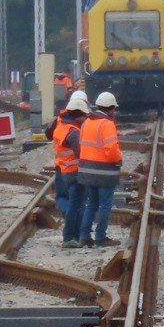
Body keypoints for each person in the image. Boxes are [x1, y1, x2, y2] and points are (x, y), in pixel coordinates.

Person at [72, 91, 124, 247]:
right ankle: (101, 236)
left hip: (87, 171)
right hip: (104, 173)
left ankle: (84, 236)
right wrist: (119, 160)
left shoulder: (87, 122)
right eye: (114, 109)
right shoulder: (106, 124)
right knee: (105, 204)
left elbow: (82, 144)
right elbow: (111, 149)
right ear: (110, 108)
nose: (114, 112)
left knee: (91, 204)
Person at [53, 91, 88, 245]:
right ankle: (73, 237)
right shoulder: (74, 132)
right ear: (77, 115)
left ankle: (71, 237)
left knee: (73, 204)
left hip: (65, 171)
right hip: (75, 172)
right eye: (84, 116)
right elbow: (81, 153)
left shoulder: (62, 126)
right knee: (78, 205)